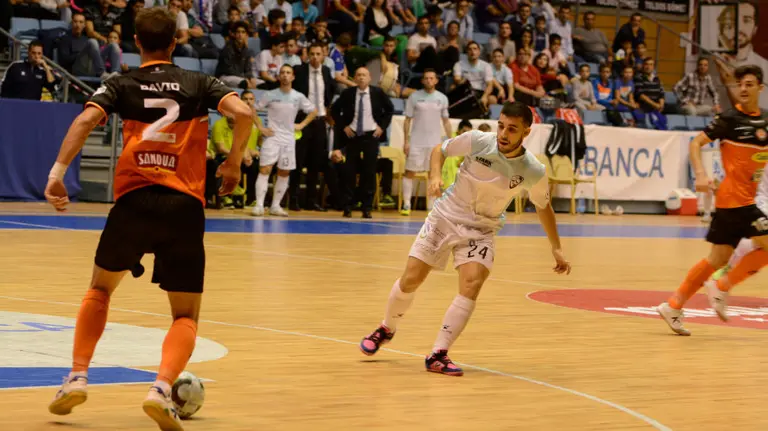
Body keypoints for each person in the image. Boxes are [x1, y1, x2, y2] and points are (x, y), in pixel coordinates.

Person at [43, 7, 254, 431]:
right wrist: (232, 165)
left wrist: (57, 175)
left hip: (134, 200)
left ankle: (77, 378)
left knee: (100, 289)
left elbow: (85, 119)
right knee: (185, 316)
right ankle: (160, 390)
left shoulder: (121, 82)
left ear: (135, 43)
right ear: (176, 42)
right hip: (183, 206)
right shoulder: (199, 82)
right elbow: (245, 114)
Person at [359, 101, 571, 376]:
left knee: (472, 283)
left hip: (481, 229)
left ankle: (438, 353)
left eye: (512, 130)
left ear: (526, 133)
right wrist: (435, 175)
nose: (504, 134)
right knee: (411, 279)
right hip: (444, 217)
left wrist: (557, 248)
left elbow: (544, 207)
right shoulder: (479, 141)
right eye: (502, 126)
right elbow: (440, 150)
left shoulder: (532, 170)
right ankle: (386, 327)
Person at [657, 65, 768, 335]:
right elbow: (696, 143)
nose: (743, 89)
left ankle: (673, 305)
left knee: (715, 260)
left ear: (760, 88)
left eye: (749, 84)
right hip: (733, 201)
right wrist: (701, 174)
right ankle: (721, 287)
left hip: (744, 201)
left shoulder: (765, 121)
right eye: (740, 84)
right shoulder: (729, 119)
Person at [251, 64, 318, 216]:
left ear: (293, 77)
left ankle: (275, 206)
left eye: (288, 73)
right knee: (265, 169)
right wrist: (261, 128)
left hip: (288, 139)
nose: (285, 75)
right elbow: (253, 109)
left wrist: (301, 125)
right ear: (279, 76)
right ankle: (259, 205)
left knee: (284, 172)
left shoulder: (298, 96)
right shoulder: (270, 94)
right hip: (272, 138)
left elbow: (314, 111)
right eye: (282, 73)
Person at [331, 67, 394, 219]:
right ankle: (347, 206)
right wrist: (343, 126)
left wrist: (382, 127)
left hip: (371, 136)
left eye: (364, 75)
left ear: (369, 78)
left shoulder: (377, 93)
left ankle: (367, 207)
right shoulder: (348, 93)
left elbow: (390, 110)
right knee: (349, 172)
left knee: (369, 172)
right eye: (358, 75)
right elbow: (334, 110)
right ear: (354, 78)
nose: (361, 78)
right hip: (352, 136)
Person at [291, 43, 337, 211]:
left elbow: (330, 92)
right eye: (312, 54)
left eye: (318, 54)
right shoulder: (300, 71)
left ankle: (312, 200)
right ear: (307, 55)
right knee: (298, 160)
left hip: (319, 120)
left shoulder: (325, 72)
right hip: (303, 119)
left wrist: (325, 110)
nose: (315, 57)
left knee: (316, 163)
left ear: (323, 55)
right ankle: (294, 199)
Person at [401, 69, 453, 216]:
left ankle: (431, 207)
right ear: (422, 81)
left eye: (432, 78)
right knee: (409, 172)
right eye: (426, 78)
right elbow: (407, 120)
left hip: (434, 143)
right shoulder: (414, 97)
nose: (429, 80)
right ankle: (406, 205)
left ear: (436, 80)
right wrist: (406, 141)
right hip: (416, 142)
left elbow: (446, 122)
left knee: (433, 174)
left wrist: (450, 141)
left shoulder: (442, 98)